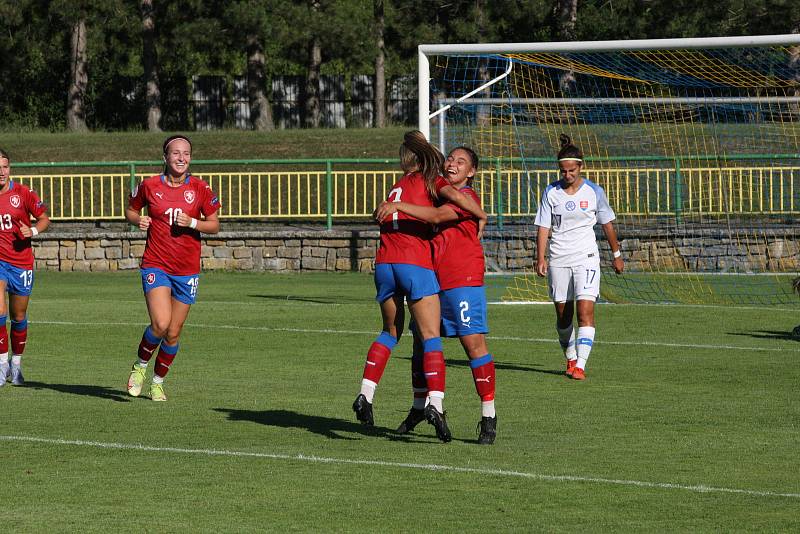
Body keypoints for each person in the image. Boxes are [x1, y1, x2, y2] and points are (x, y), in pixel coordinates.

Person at [352, 131, 487, 443]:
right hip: (415, 265)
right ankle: (435, 404)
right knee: (430, 337)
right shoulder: (430, 180)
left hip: (384, 265)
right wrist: (480, 214)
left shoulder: (396, 187)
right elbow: (452, 200)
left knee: (391, 332)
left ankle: (366, 394)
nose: (448, 164)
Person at [125, 135, 220, 401]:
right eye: (176, 153)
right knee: (161, 322)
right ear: (165, 157)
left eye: (186, 153)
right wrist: (138, 220)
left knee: (174, 332)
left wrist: (192, 223)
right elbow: (131, 211)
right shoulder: (149, 185)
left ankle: (158, 382)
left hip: (187, 270)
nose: (181, 158)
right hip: (156, 263)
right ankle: (140, 367)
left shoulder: (200, 188)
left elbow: (214, 224)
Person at [534, 134, 623, 380]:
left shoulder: (594, 191)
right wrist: (540, 257)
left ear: (580, 167)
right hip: (559, 258)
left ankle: (581, 365)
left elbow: (607, 223)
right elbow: (543, 226)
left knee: (585, 312)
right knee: (563, 315)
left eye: (571, 170)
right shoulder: (550, 192)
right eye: (563, 171)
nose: (567, 175)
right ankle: (570, 357)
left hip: (586, 257)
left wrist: (616, 254)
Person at [0, 149, 50, 387]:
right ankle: (1, 365)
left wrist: (33, 231)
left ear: (10, 168)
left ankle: (16, 365)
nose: (1, 172)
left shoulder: (23, 193)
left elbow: (44, 218)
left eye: (5, 166)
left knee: (18, 316)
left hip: (21, 263)